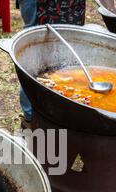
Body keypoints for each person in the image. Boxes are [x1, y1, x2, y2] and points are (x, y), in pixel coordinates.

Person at [17, 0, 86, 128]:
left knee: (69, 48)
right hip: (41, 6)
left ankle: (61, 115)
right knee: (36, 57)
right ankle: (31, 119)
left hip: (72, 6)